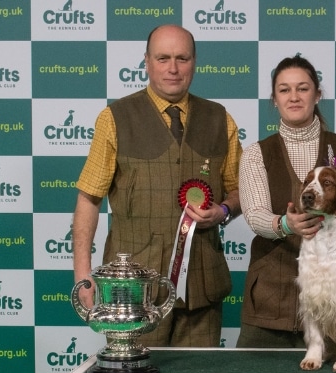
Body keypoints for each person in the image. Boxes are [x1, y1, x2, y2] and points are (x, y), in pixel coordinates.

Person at [72, 24, 242, 347]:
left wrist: (223, 211)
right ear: (146, 62)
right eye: (163, 58)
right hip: (134, 292)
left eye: (182, 58)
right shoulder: (114, 118)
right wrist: (83, 273)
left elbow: (238, 192)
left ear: (195, 62)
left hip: (202, 291)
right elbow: (88, 200)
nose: (173, 68)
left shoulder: (221, 119)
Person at [237, 54, 336, 347]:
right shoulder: (255, 154)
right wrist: (285, 223)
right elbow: (255, 215)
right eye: (284, 89)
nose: (294, 96)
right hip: (271, 299)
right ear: (274, 99)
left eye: (303, 88)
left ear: (318, 94)